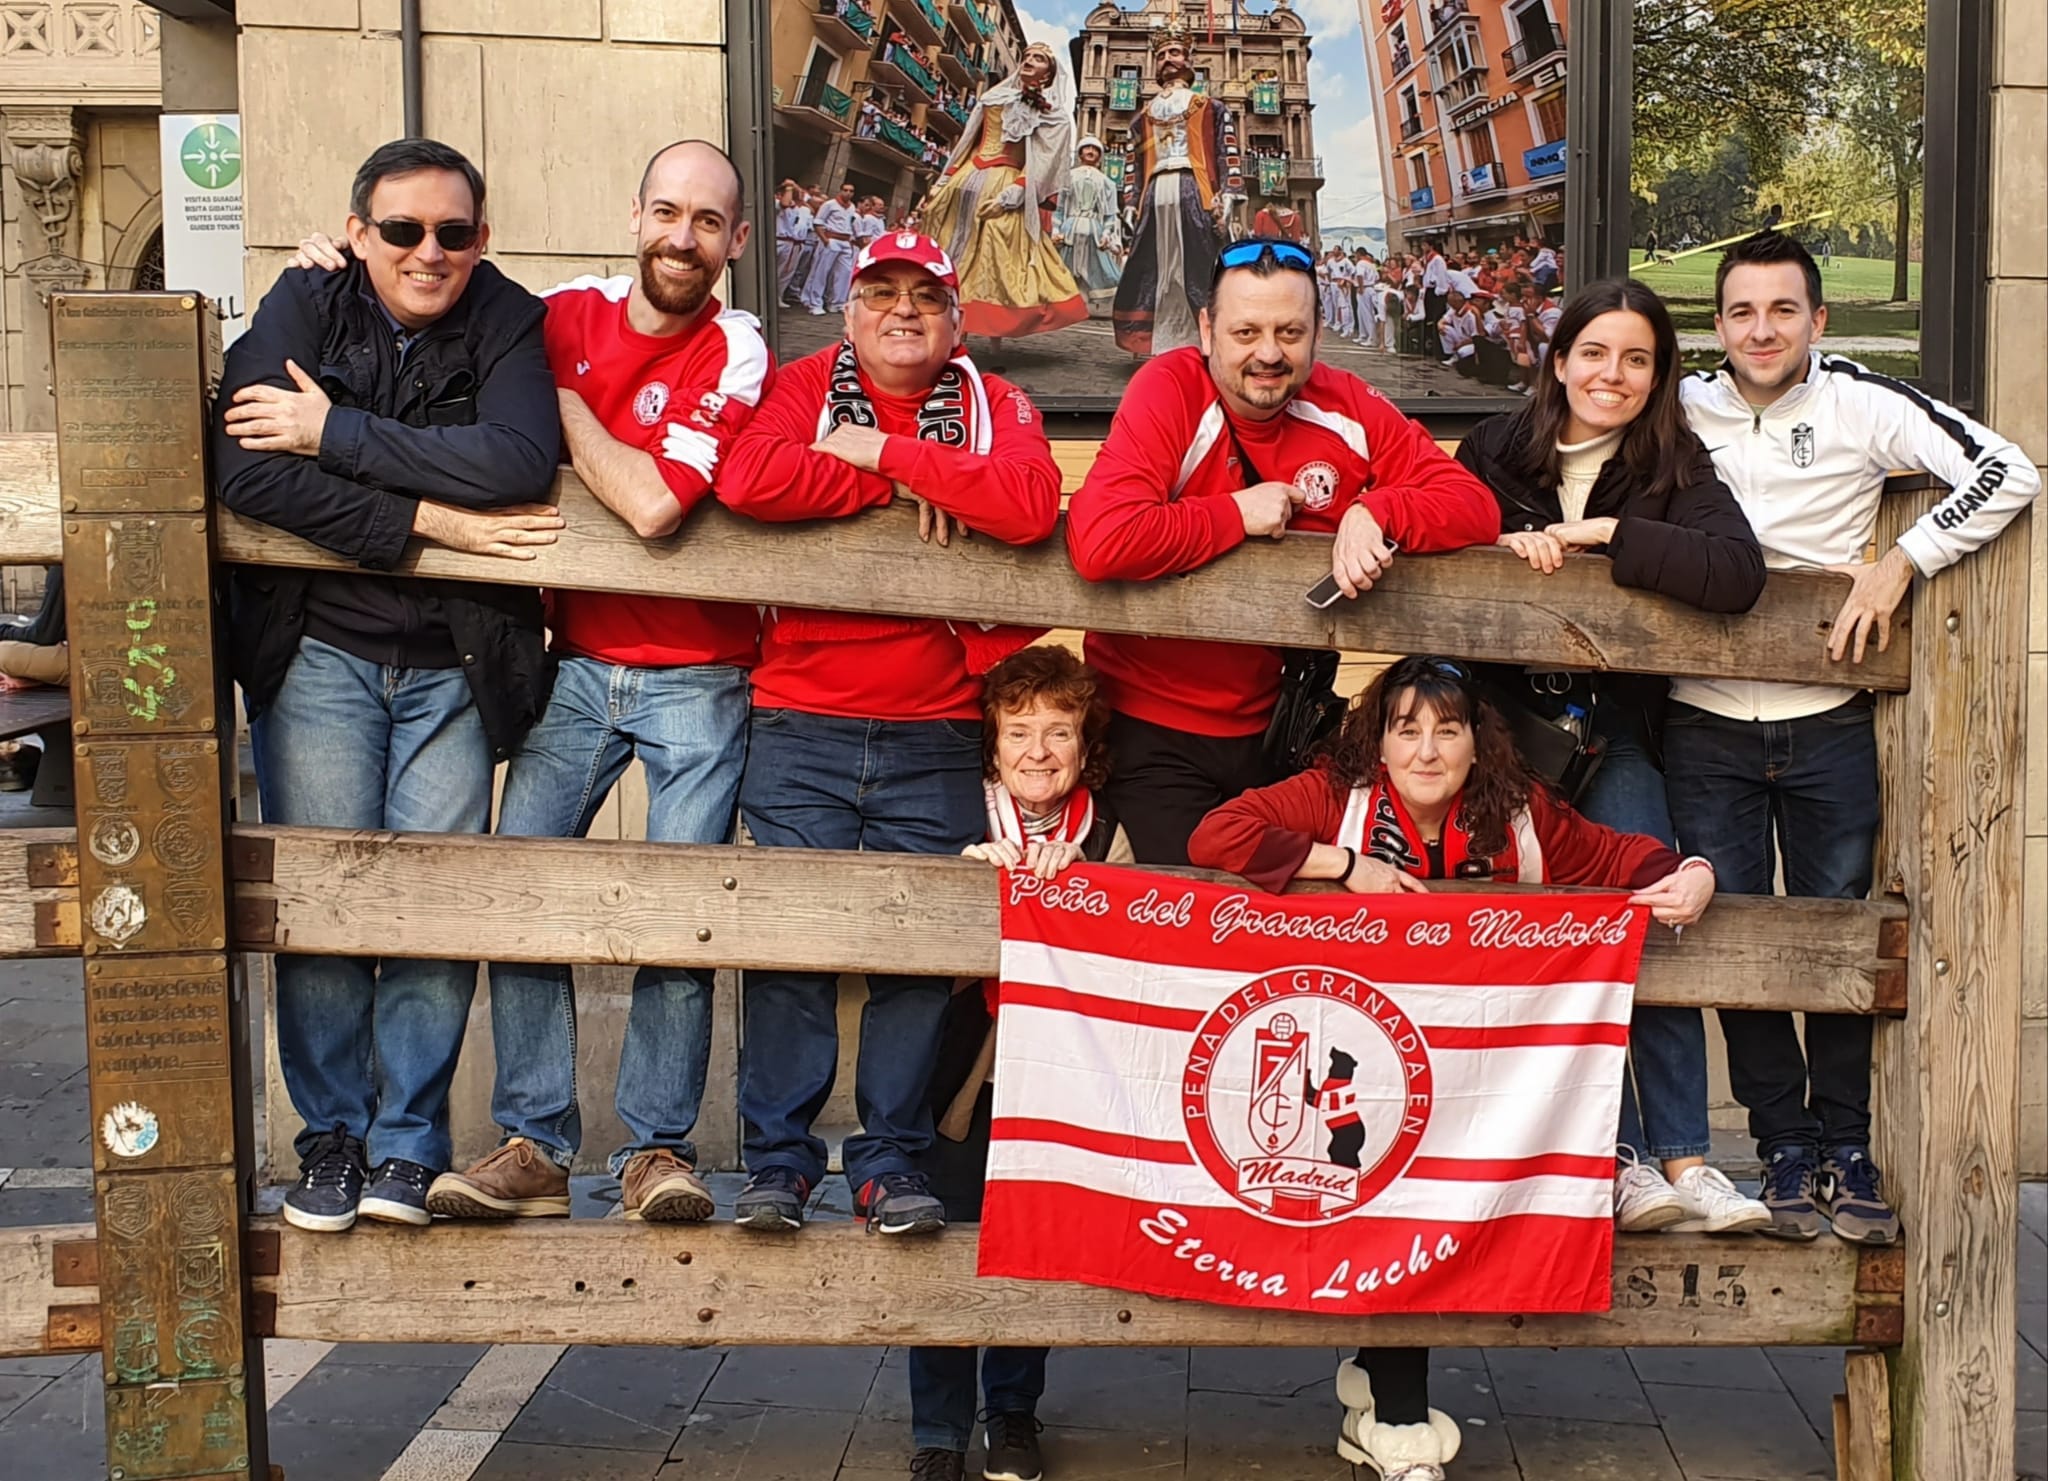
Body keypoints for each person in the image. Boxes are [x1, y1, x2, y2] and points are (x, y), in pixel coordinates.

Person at [1188, 655, 1718, 1481]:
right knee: (1393, 1195)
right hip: (1360, 1065)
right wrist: (1340, 864)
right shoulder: (1338, 795)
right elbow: (1216, 834)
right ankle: (1394, 1412)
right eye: (1407, 730)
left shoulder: (1519, 808)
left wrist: (1692, 871)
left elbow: (1619, 857)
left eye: (1447, 728)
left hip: (1479, 1075)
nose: (1427, 750)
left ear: (1478, 739)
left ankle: (1381, 1383)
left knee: (1449, 1204)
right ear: (1379, 740)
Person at [214, 138, 564, 1233]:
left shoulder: (506, 314)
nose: (429, 251)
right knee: (321, 904)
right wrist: (426, 520)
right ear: (358, 230)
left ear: (482, 237)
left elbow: (515, 461)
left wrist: (336, 432)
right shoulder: (305, 299)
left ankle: (407, 1145)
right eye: (402, 229)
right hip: (316, 655)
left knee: (428, 909)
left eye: (452, 231)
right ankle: (331, 1137)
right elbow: (243, 469)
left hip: (456, 669)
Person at [1673, 231, 2041, 1245]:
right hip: (1700, 720)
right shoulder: (1680, 407)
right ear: (1716, 325)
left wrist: (1901, 564)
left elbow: (2003, 470)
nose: (1760, 329)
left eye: (1781, 310)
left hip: (1826, 719)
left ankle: (1846, 1140)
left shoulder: (1858, 401)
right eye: (1741, 312)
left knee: (1836, 928)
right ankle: (1781, 1142)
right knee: (1734, 937)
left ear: (1815, 321)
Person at [716, 232, 1061, 1236]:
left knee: (918, 953)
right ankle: (779, 1162)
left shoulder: (994, 405)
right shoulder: (798, 384)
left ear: (956, 320)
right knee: (792, 948)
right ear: (851, 308)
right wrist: (903, 484)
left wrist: (879, 450)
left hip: (937, 725)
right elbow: (747, 478)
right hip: (799, 716)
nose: (901, 310)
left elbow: (1031, 504)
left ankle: (888, 1160)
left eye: (925, 296)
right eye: (879, 292)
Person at [1456, 276, 1770, 1237]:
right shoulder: (1494, 450)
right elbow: (1431, 531)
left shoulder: (1675, 465)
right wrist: (1503, 543)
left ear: (1659, 374)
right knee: (1537, 937)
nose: (1613, 374)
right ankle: (1618, 1154)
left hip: (1613, 730)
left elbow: (1735, 573)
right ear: (1559, 361)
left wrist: (1608, 534)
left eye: (1637, 359)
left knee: (1652, 909)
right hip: (1503, 730)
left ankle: (1687, 1154)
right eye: (1594, 353)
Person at [1066, 238, 1499, 866]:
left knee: (1301, 912)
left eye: (1289, 331)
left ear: (1317, 330)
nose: (1269, 353)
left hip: (1282, 727)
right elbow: (1102, 541)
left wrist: (1375, 510)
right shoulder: (1171, 387)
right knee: (1194, 916)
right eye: (1246, 331)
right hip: (1149, 725)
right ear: (1208, 330)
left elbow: (1473, 505)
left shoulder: (1344, 402)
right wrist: (1236, 513)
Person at [906, 644, 1114, 1481]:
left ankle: (1015, 1413)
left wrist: (1091, 889)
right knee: (943, 1237)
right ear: (991, 744)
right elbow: (901, 942)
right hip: (960, 1074)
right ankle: (938, 1430)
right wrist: (967, 893)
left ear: (1082, 741)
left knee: (1035, 1239)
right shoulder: (951, 812)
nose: (1038, 750)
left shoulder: (1108, 828)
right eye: (1018, 730)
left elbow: (1136, 958)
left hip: (1060, 1078)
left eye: (1057, 731)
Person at [920, 42, 1086, 344]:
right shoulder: (993, 97)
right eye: (1027, 56)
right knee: (949, 248)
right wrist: (943, 182)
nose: (1029, 61)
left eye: (1038, 59)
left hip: (1005, 183)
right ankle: (941, 322)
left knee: (996, 255)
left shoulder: (1055, 116)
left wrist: (1014, 194)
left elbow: (1044, 164)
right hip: (967, 180)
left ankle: (989, 327)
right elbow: (967, 143)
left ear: (1048, 75)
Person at [1111, 20, 1230, 356]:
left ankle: (1208, 340)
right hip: (1154, 193)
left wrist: (1229, 195)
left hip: (1194, 189)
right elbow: (1134, 167)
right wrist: (1131, 203)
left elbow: (1226, 153)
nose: (1167, 59)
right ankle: (1154, 341)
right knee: (1151, 265)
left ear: (1189, 59)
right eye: (1161, 53)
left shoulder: (1210, 107)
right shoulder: (1142, 117)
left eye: (1175, 52)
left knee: (1200, 263)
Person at [1055, 135, 1124, 305]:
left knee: (1094, 267)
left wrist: (1107, 233)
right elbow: (1059, 208)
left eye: (1095, 149)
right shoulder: (1067, 177)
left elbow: (1109, 214)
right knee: (1065, 266)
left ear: (1100, 156)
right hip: (1070, 229)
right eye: (1087, 148)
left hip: (1094, 230)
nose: (1091, 151)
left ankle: (1086, 298)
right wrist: (1056, 230)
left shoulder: (1107, 182)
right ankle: (1068, 300)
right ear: (1080, 153)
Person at [802, 181, 860, 315]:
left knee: (843, 273)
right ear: (840, 191)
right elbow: (818, 222)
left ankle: (836, 302)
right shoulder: (829, 204)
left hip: (845, 241)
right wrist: (825, 240)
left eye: (851, 191)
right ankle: (815, 303)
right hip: (831, 239)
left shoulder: (852, 207)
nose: (848, 193)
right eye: (845, 190)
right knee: (821, 272)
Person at [775, 180, 814, 303]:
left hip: (792, 243)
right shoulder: (776, 202)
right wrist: (789, 187)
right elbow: (784, 203)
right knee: (774, 271)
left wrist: (795, 186)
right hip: (778, 241)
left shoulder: (798, 208)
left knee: (786, 273)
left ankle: (779, 296)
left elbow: (811, 204)